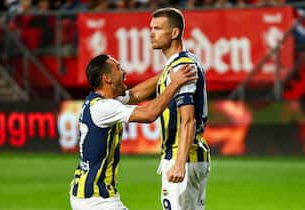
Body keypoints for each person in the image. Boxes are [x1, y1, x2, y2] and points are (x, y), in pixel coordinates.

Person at [69, 54, 197, 210]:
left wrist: (168, 73)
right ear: (107, 78)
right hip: (97, 200)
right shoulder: (104, 108)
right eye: (118, 68)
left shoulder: (100, 102)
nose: (124, 72)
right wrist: (175, 83)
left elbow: (136, 94)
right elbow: (150, 114)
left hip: (86, 195)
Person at [150, 8, 211, 210]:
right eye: (151, 28)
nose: (151, 33)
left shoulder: (181, 67)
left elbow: (188, 119)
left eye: (158, 28)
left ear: (174, 33)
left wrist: (179, 162)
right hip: (192, 156)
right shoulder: (181, 62)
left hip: (184, 156)